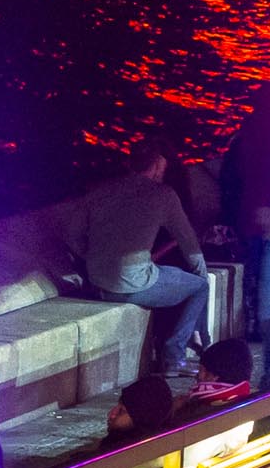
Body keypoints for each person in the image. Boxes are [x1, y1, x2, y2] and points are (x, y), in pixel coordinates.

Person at [82, 144, 214, 376]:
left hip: (97, 282)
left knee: (164, 273)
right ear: (155, 168)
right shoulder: (162, 195)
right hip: (132, 284)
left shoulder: (100, 190)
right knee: (199, 287)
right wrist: (200, 272)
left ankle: (192, 344)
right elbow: (188, 241)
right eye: (162, 169)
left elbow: (76, 236)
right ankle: (174, 358)